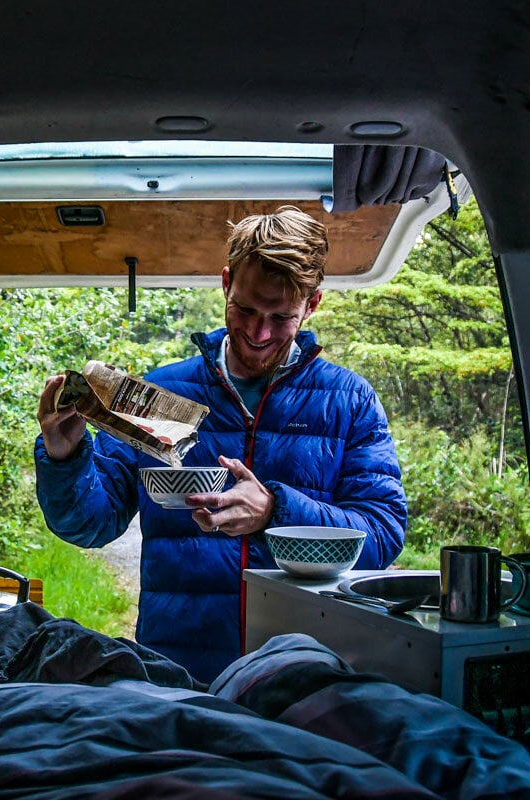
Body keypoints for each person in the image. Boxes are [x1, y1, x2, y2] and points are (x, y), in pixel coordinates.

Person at [34, 205, 406, 683]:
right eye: (246, 309)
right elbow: (89, 525)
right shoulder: (162, 396)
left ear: (311, 305)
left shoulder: (349, 400)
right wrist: (65, 456)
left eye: (281, 316)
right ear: (226, 282)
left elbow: (383, 533)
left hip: (307, 672)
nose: (258, 333)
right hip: (179, 671)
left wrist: (277, 512)